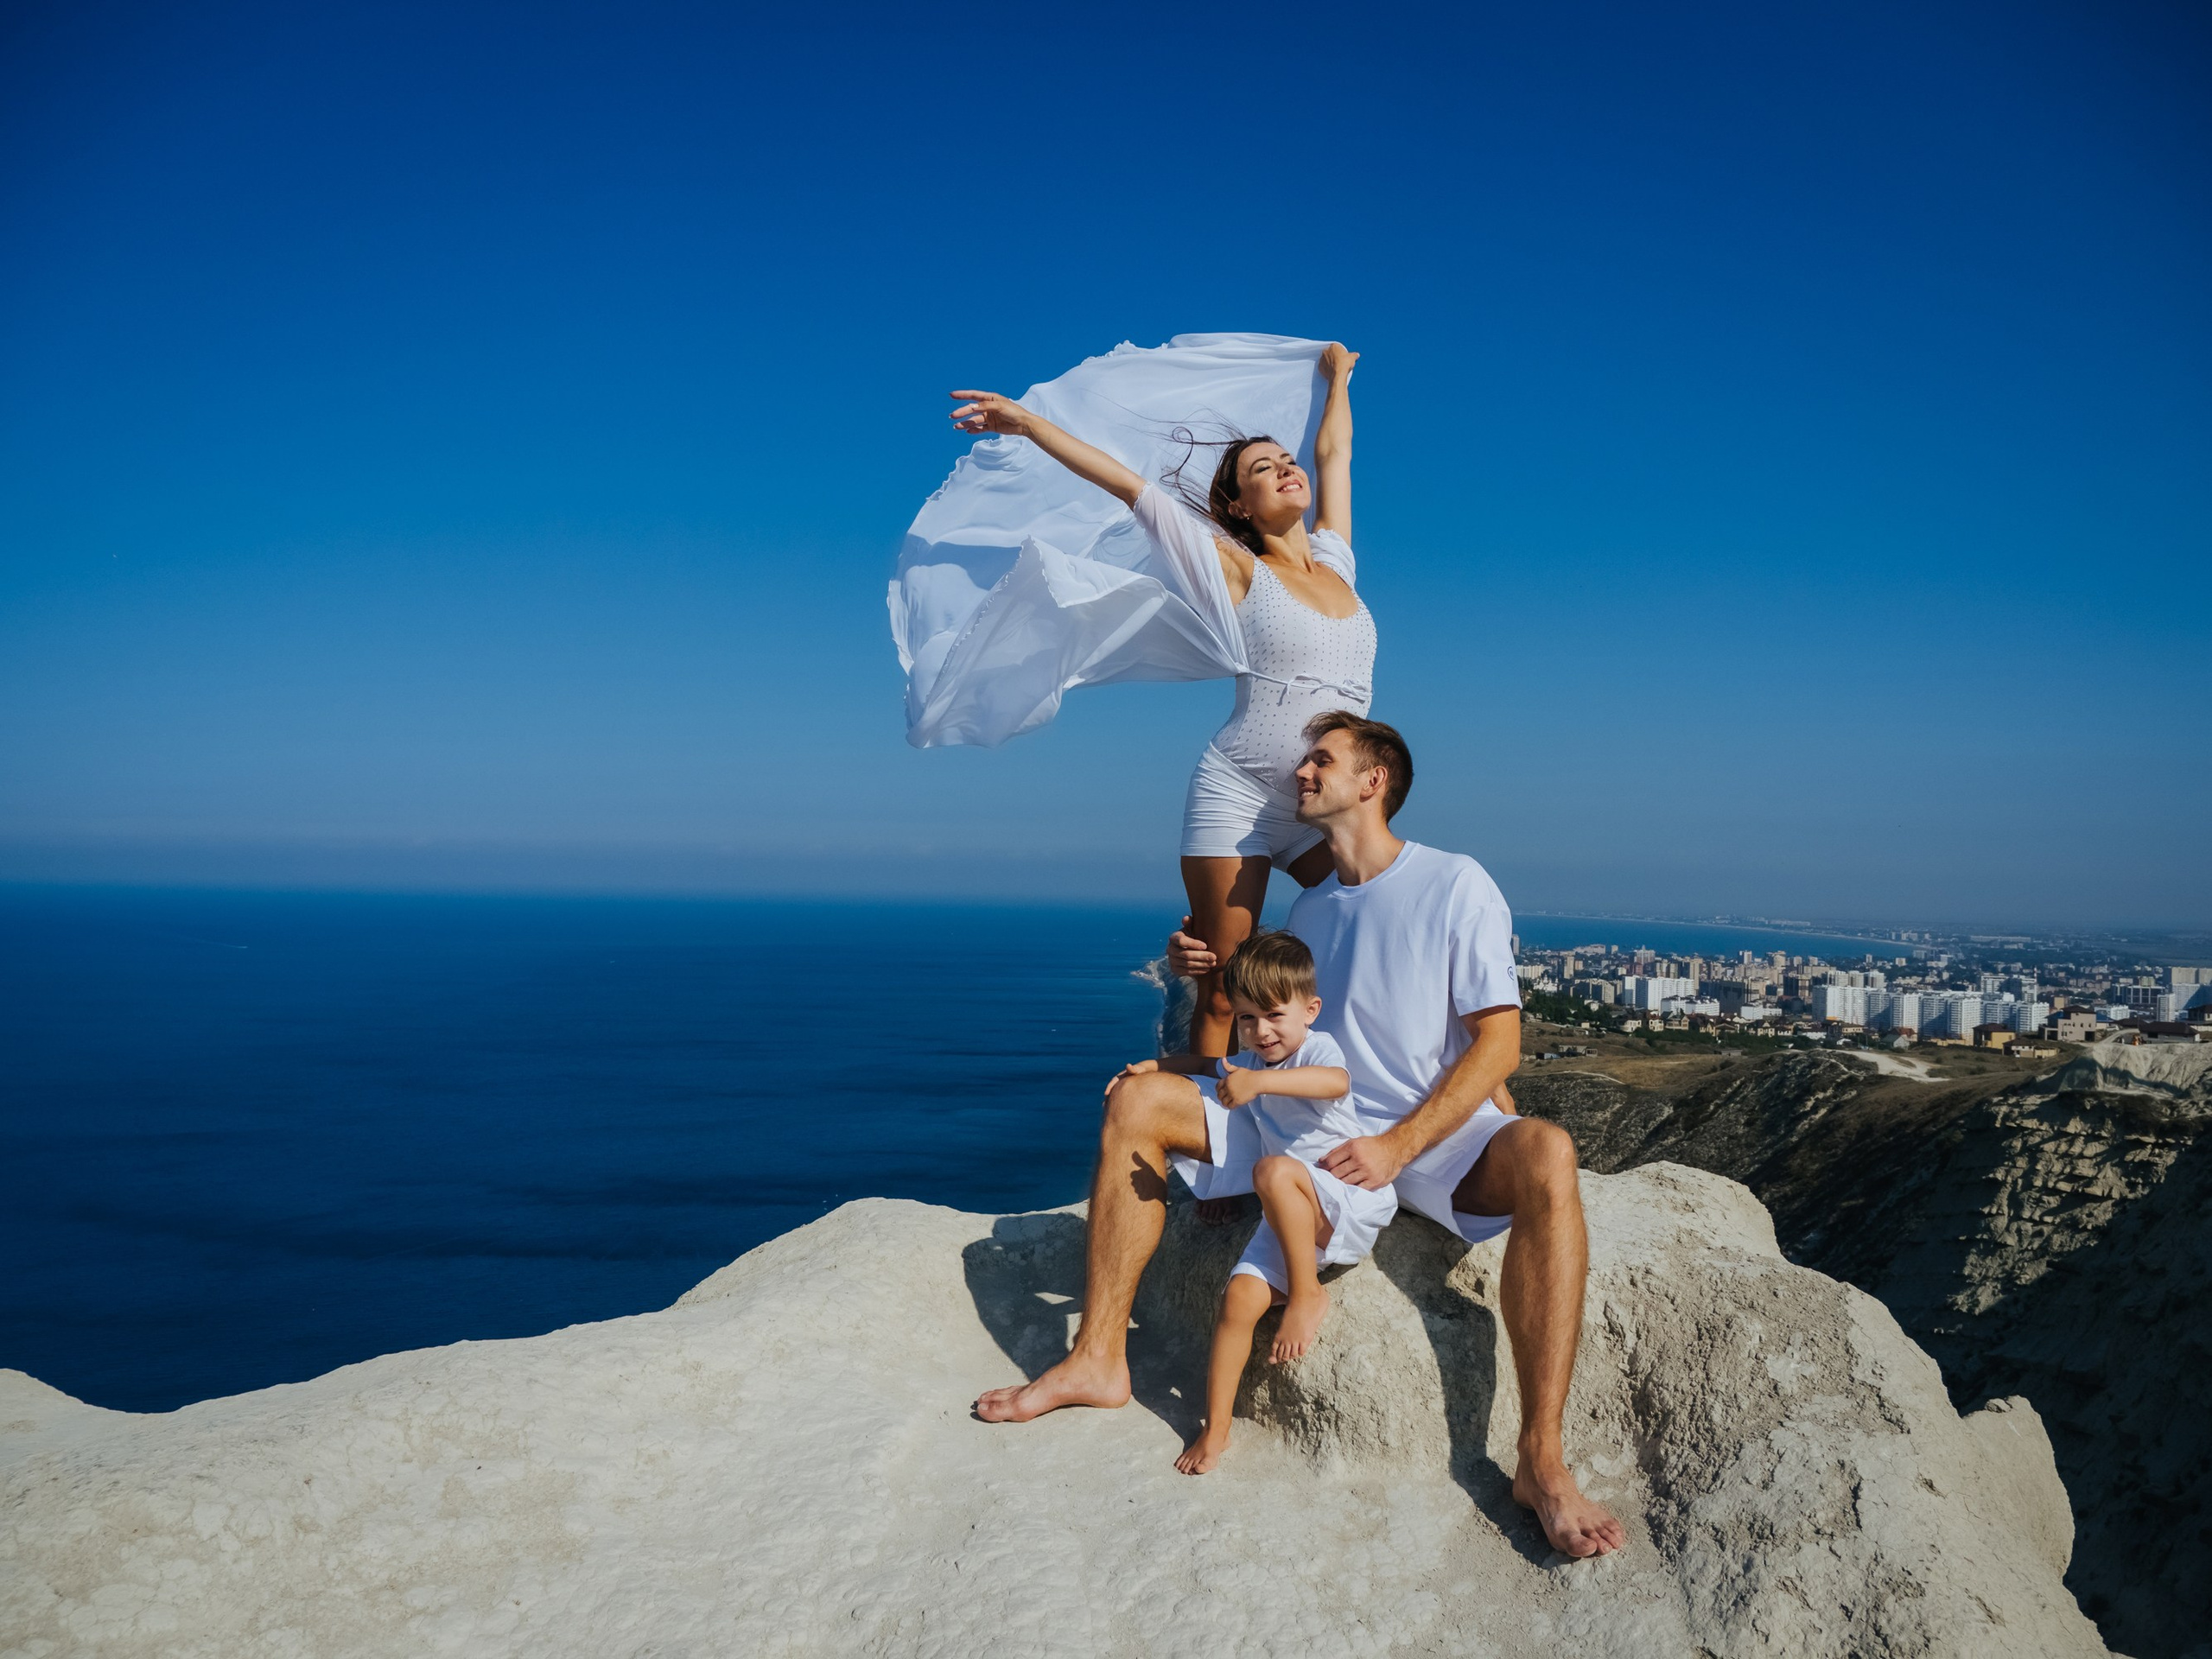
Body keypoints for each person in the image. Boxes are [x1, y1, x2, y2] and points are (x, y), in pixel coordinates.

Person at [975, 712, 1626, 1560]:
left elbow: (1499, 1042)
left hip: (1427, 1137)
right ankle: (1098, 1359)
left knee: (1547, 1151)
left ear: (1372, 781)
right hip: (1312, 1127)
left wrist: (1397, 1147)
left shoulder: (1454, 882)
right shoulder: (1311, 909)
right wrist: (1195, 973)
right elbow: (1267, 1036)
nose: (1300, 776)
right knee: (1137, 1104)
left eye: (1320, 761)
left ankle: (1540, 1462)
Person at [947, 341, 1372, 1055]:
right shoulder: (1237, 566)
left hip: (1319, 803)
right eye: (1262, 468)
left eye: (1283, 458)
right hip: (1237, 797)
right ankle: (1203, 1137)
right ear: (1238, 504)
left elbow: (1337, 456)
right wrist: (1028, 425)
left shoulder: (1337, 561)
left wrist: (1337, 380)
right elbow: (1131, 487)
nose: (1286, 467)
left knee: (1375, 917)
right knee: (1222, 987)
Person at [1109, 930, 1395, 1476]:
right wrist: (1155, 1068)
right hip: (1287, 1217)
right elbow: (1208, 1064)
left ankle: (1307, 1296)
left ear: (1309, 1010)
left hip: (1343, 1201)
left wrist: (1261, 1087)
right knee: (1238, 1300)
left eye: (1273, 1015)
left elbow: (1334, 1082)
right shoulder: (1249, 1061)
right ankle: (1216, 1429)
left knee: (1273, 1169)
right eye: (1246, 1018)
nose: (1260, 1031)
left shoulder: (1317, 1048)